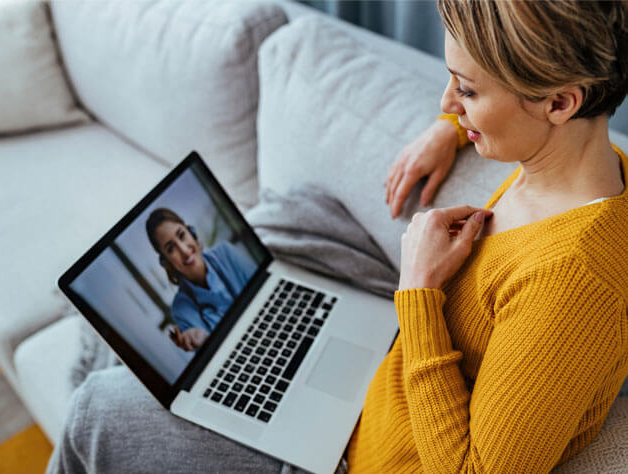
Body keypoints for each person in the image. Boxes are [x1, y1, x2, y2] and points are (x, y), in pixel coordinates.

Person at [48, 1, 627, 472]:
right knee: (291, 214)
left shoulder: (575, 283)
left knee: (91, 412)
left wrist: (419, 291)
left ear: (559, 101)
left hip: (355, 457)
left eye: (467, 91)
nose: (447, 102)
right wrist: (452, 127)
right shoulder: (593, 160)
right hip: (373, 378)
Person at [146, 208, 257, 352]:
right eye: (171, 248)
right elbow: (215, 358)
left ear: (191, 233)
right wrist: (205, 339)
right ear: (166, 262)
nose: (185, 251)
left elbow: (265, 291)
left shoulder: (226, 253)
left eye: (182, 235)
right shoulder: (181, 310)